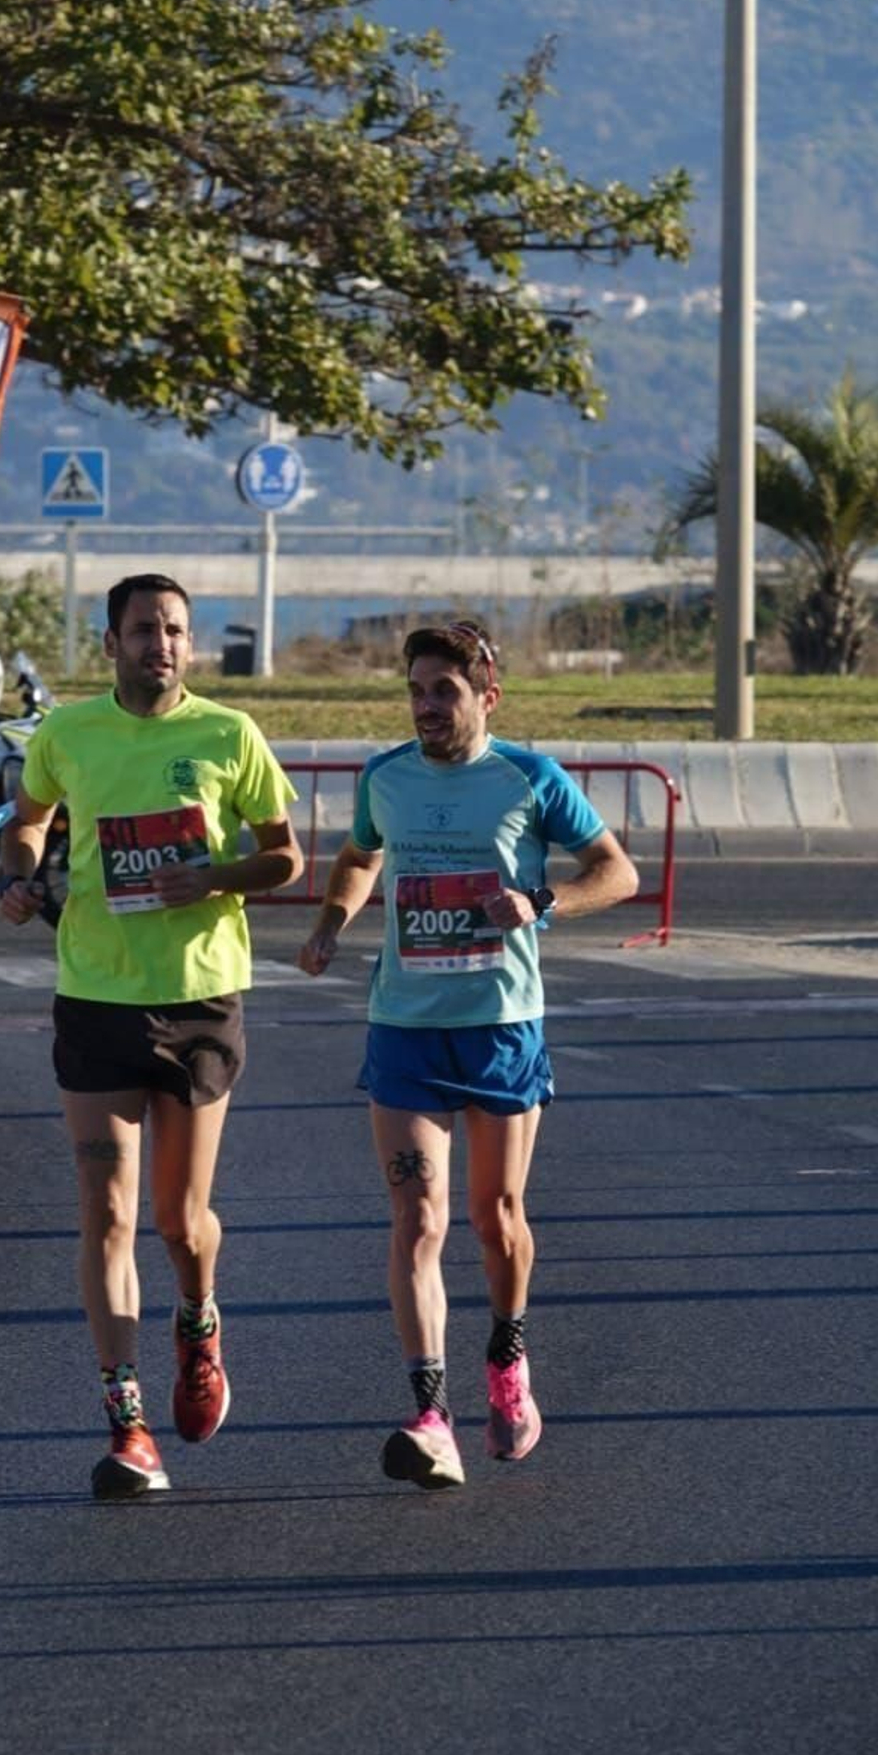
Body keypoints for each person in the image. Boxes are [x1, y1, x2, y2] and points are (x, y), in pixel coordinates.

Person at [297, 621, 638, 1489]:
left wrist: (541, 901)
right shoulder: (385, 777)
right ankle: (431, 1415)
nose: (426, 707)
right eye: (415, 690)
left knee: (496, 1218)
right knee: (418, 1219)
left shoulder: (530, 777)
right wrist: (332, 921)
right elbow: (360, 853)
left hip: (500, 1025)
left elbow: (618, 871)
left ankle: (508, 1359)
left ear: (488, 695)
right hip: (405, 1024)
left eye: (443, 691)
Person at [0, 572, 303, 1499]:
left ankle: (199, 1320)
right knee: (107, 1212)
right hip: (94, 996)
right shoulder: (69, 733)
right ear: (111, 643)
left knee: (179, 1220)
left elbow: (286, 857)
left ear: (189, 643)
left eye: (173, 630)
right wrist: (18, 875)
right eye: (143, 630)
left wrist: (214, 877)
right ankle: (127, 1423)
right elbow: (27, 821)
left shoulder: (228, 734)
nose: (159, 644)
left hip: (199, 999)